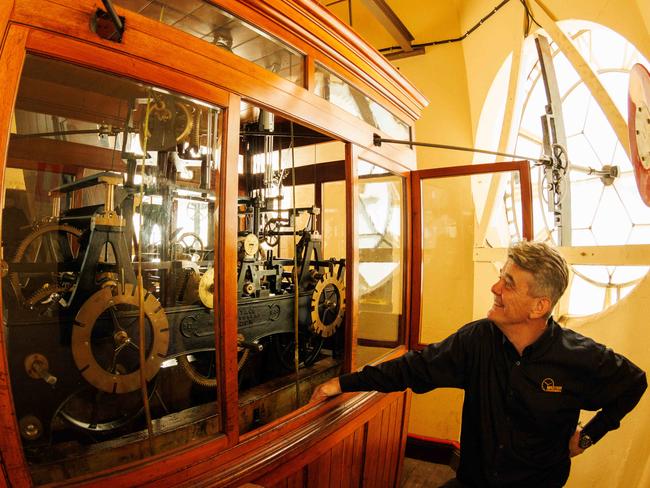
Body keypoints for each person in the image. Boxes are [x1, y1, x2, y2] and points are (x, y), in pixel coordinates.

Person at [310, 241, 647, 487]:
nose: (495, 287)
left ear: (538, 306)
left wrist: (589, 436)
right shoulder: (477, 340)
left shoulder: (579, 356)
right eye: (501, 276)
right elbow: (413, 367)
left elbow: (634, 383)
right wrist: (341, 384)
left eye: (509, 284)